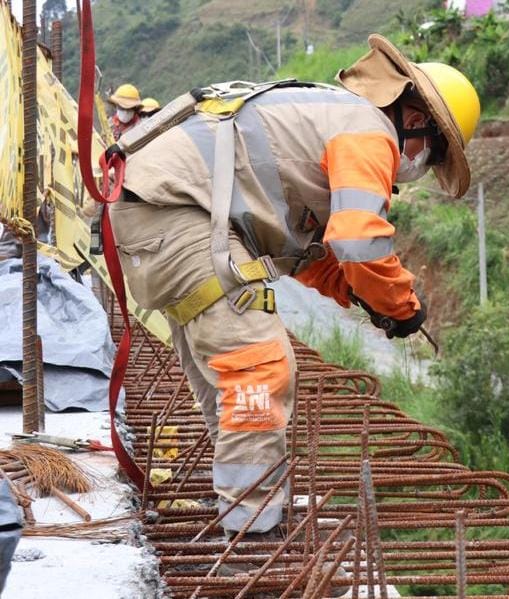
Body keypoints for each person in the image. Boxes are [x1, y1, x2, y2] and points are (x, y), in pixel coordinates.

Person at [110, 35, 479, 542]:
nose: (421, 167)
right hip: (179, 213)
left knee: (236, 384)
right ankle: (253, 532)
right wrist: (401, 304)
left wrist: (361, 297)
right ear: (414, 118)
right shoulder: (369, 131)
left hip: (159, 213)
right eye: (433, 154)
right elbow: (357, 238)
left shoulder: (326, 120)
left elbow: (311, 254)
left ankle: (245, 507)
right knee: (259, 365)